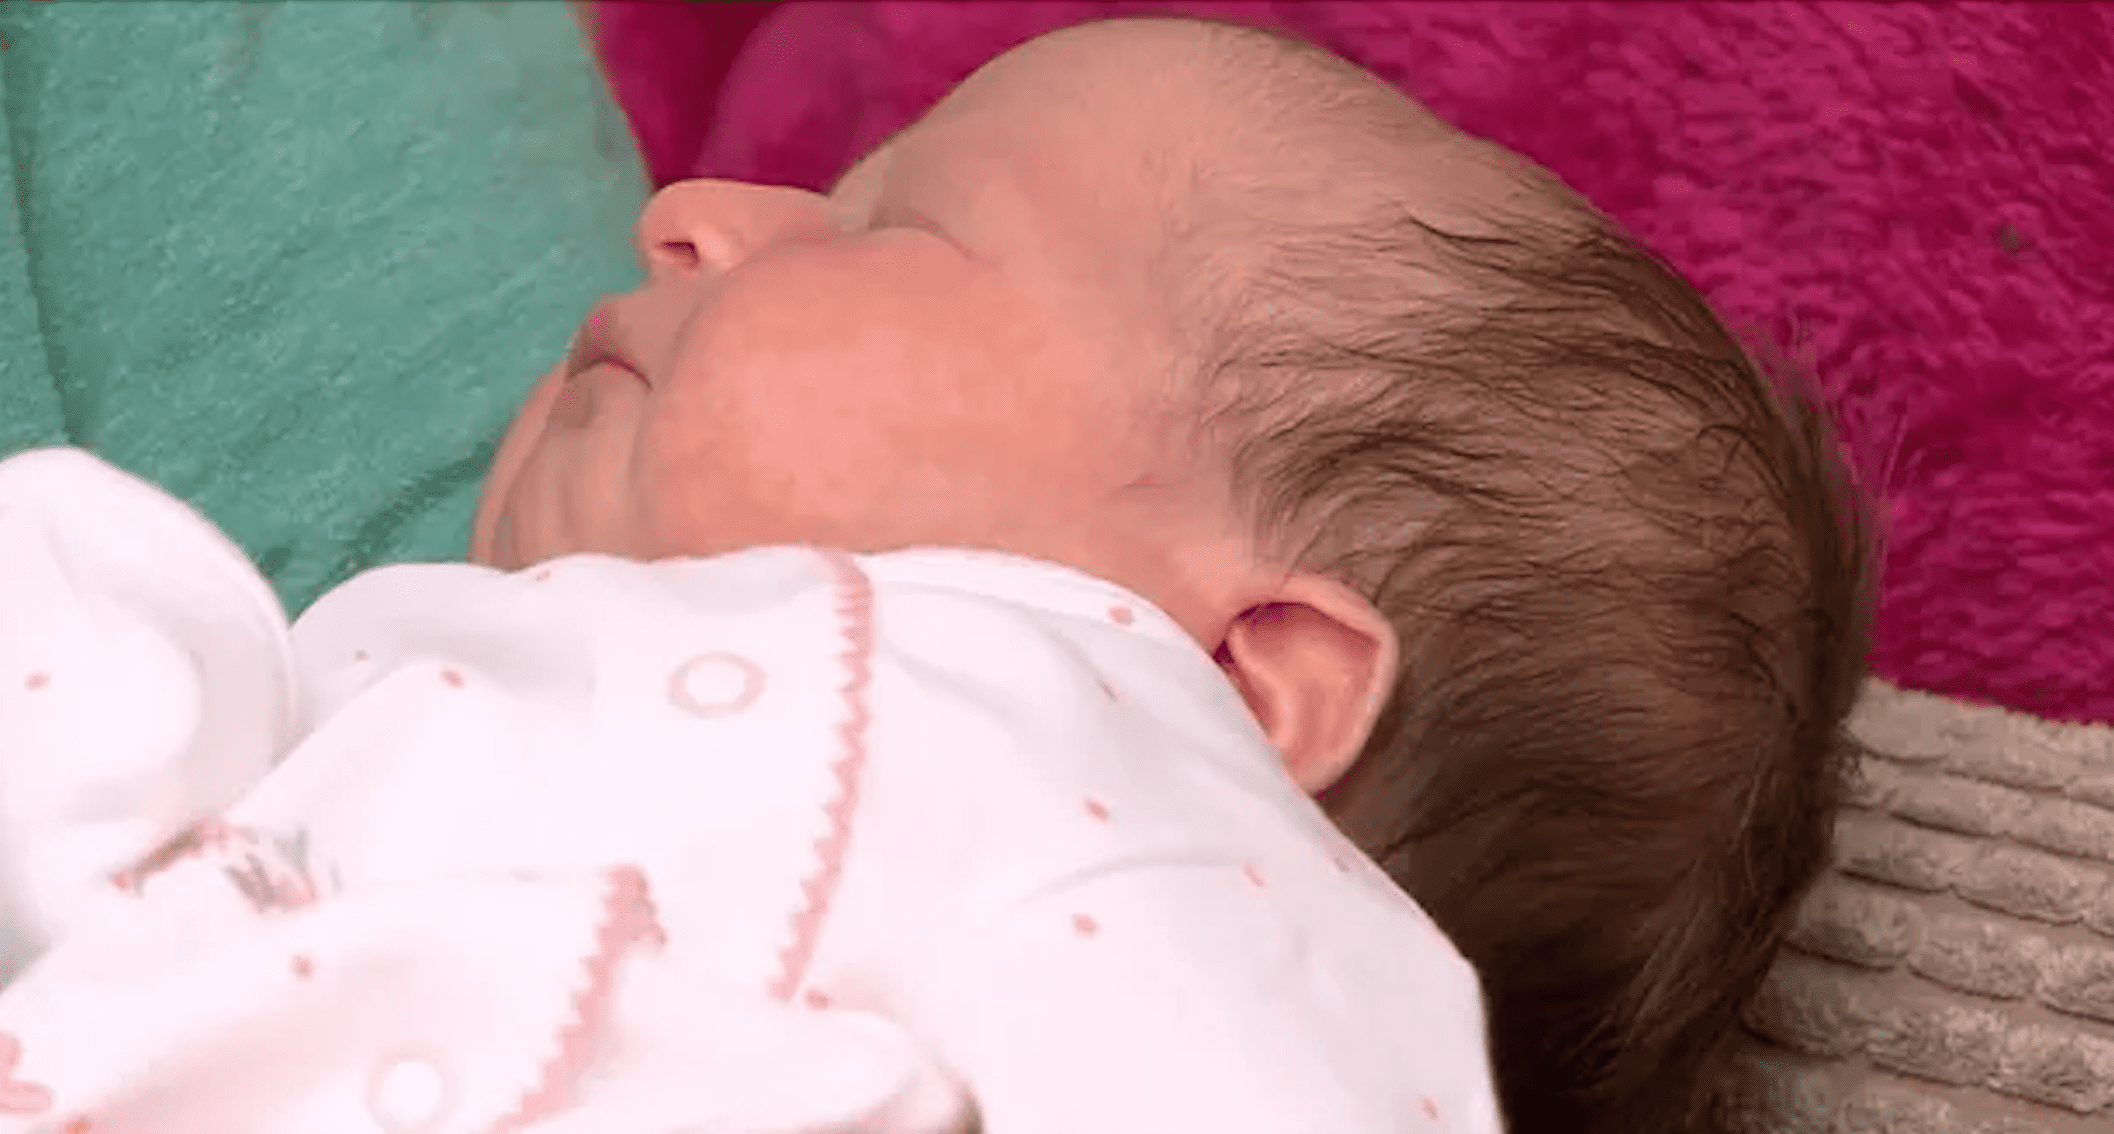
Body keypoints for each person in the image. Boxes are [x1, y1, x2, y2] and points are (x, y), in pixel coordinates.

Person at [0, 14, 1874, 1134]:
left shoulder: (1153, 843)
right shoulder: (387, 682)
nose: (690, 212)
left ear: (1250, 678)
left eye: (889, 226)